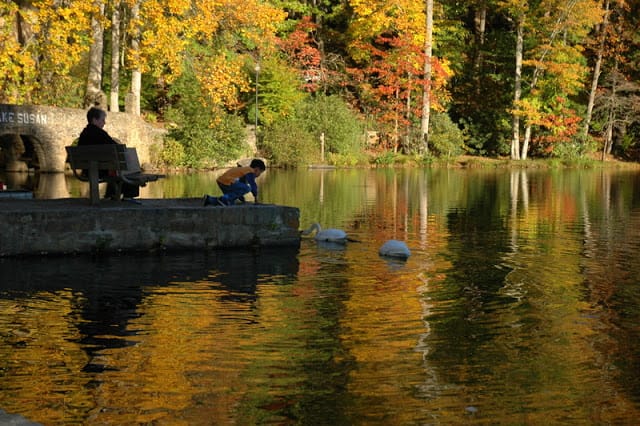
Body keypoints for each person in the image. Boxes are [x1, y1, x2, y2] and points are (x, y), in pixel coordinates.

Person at [78, 107, 139, 200]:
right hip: (101, 170)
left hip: (87, 169)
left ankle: (111, 194)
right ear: (94, 120)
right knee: (130, 167)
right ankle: (128, 195)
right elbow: (117, 148)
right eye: (102, 120)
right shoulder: (100, 134)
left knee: (115, 167)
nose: (104, 122)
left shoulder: (84, 134)